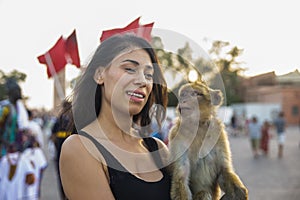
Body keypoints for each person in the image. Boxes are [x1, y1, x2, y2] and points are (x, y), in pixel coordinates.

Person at [59, 33, 170, 200]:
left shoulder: (159, 149)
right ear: (100, 75)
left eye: (148, 74)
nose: (143, 81)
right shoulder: (80, 148)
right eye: (129, 69)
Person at [51, 100, 74, 199]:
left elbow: (53, 137)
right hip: (67, 154)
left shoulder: (60, 121)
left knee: (63, 178)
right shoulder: (63, 121)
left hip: (63, 153)